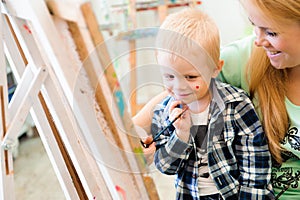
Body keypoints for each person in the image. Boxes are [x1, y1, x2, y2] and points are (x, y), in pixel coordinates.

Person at [137, 8, 273, 199]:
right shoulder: (162, 112)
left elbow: (255, 165)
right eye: (169, 76)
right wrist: (181, 135)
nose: (179, 87)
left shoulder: (237, 105)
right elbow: (166, 167)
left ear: (216, 68)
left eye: (191, 77)